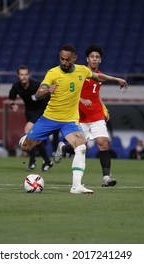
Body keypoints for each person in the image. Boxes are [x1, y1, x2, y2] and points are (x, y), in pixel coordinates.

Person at [19, 44, 127, 194]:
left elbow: (98, 76)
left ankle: (76, 186)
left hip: (70, 121)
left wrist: (116, 80)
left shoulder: (82, 70)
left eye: (67, 60)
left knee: (81, 147)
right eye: (61, 59)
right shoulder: (53, 72)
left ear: (74, 58)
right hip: (49, 118)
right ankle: (27, 138)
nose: (63, 62)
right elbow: (38, 94)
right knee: (26, 147)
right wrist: (46, 90)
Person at [54, 44, 117, 187]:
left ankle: (106, 177)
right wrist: (82, 100)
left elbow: (96, 95)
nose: (94, 59)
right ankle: (63, 148)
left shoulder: (99, 76)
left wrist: (104, 108)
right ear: (87, 59)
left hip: (96, 115)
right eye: (92, 57)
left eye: (97, 57)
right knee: (81, 146)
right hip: (80, 116)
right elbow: (70, 92)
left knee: (103, 143)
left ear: (100, 60)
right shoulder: (79, 73)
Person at [9, 65, 53, 171]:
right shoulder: (16, 86)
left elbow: (48, 94)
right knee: (34, 137)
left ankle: (33, 161)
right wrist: (13, 105)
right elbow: (11, 98)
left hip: (41, 110)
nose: (24, 77)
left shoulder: (36, 85)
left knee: (29, 131)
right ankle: (46, 161)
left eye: (25, 74)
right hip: (29, 112)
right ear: (18, 75)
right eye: (21, 75)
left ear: (29, 75)